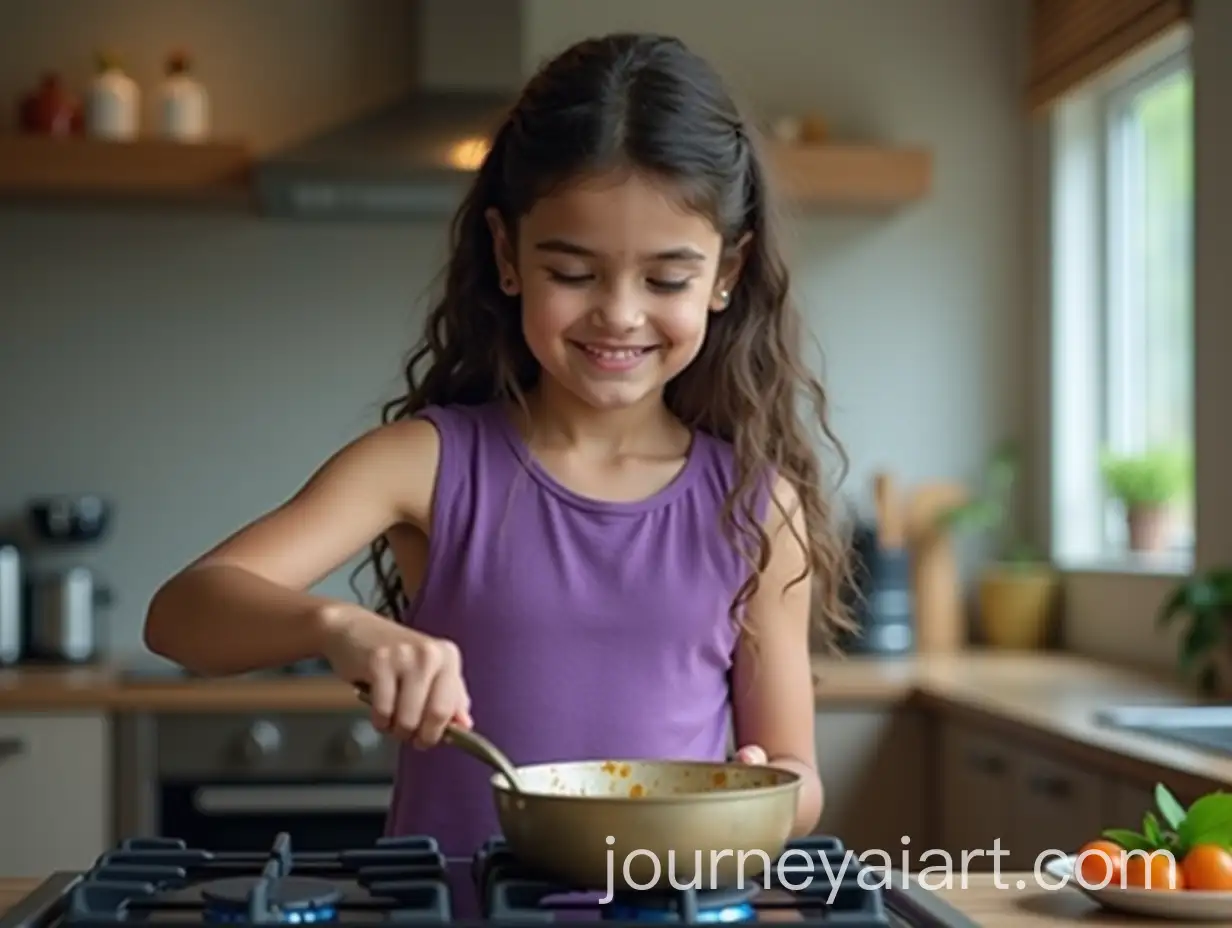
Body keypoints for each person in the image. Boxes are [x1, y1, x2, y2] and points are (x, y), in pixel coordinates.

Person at [143, 32, 853, 860]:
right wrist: (336, 626)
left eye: (666, 279)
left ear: (726, 275)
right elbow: (182, 614)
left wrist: (760, 794)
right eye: (574, 273)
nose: (620, 314)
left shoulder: (758, 506)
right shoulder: (424, 464)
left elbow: (798, 771)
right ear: (508, 254)